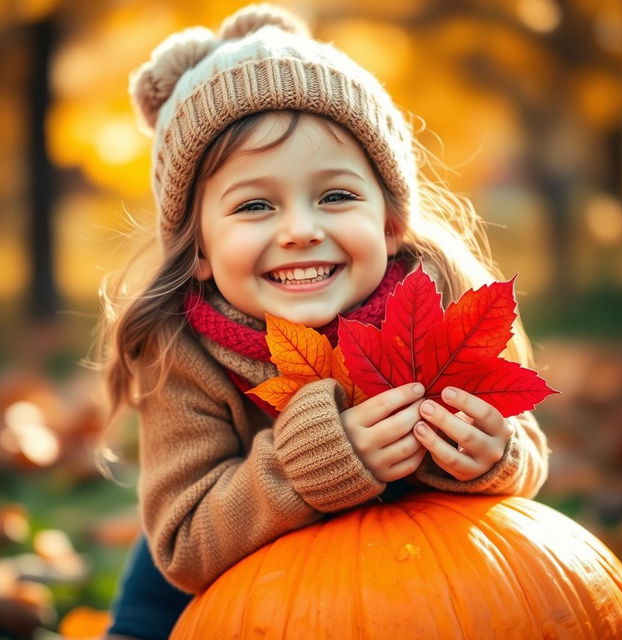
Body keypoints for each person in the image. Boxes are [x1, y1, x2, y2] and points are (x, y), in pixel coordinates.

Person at [100, 2, 549, 635]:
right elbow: (183, 545)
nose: (301, 230)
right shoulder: (183, 350)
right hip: (214, 600)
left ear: (390, 223)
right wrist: (314, 461)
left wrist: (495, 455)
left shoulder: (436, 307)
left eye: (335, 196)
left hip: (421, 582)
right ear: (198, 248)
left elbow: (526, 454)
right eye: (255, 205)